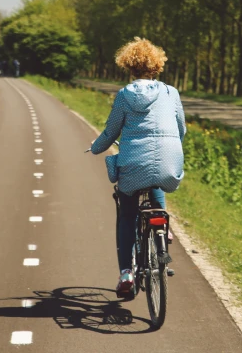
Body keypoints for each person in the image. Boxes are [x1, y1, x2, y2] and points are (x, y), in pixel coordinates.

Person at [90, 37, 186, 297]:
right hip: (170, 161)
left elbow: (111, 131)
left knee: (127, 213)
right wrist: (172, 147)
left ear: (129, 66)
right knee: (157, 177)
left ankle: (126, 274)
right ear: (157, 65)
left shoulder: (124, 95)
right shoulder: (171, 92)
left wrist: (96, 148)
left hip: (133, 164)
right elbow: (181, 129)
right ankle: (163, 231)